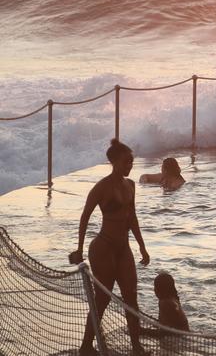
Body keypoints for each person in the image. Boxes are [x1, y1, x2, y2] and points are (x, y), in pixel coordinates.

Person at [69, 139, 150, 355]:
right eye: (125, 162)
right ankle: (86, 345)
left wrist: (142, 247)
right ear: (113, 161)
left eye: (131, 162)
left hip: (123, 248)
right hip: (103, 247)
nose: (129, 166)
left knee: (131, 295)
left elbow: (132, 217)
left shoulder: (130, 185)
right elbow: (85, 217)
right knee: (102, 298)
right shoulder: (101, 187)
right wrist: (79, 248)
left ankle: (136, 347)